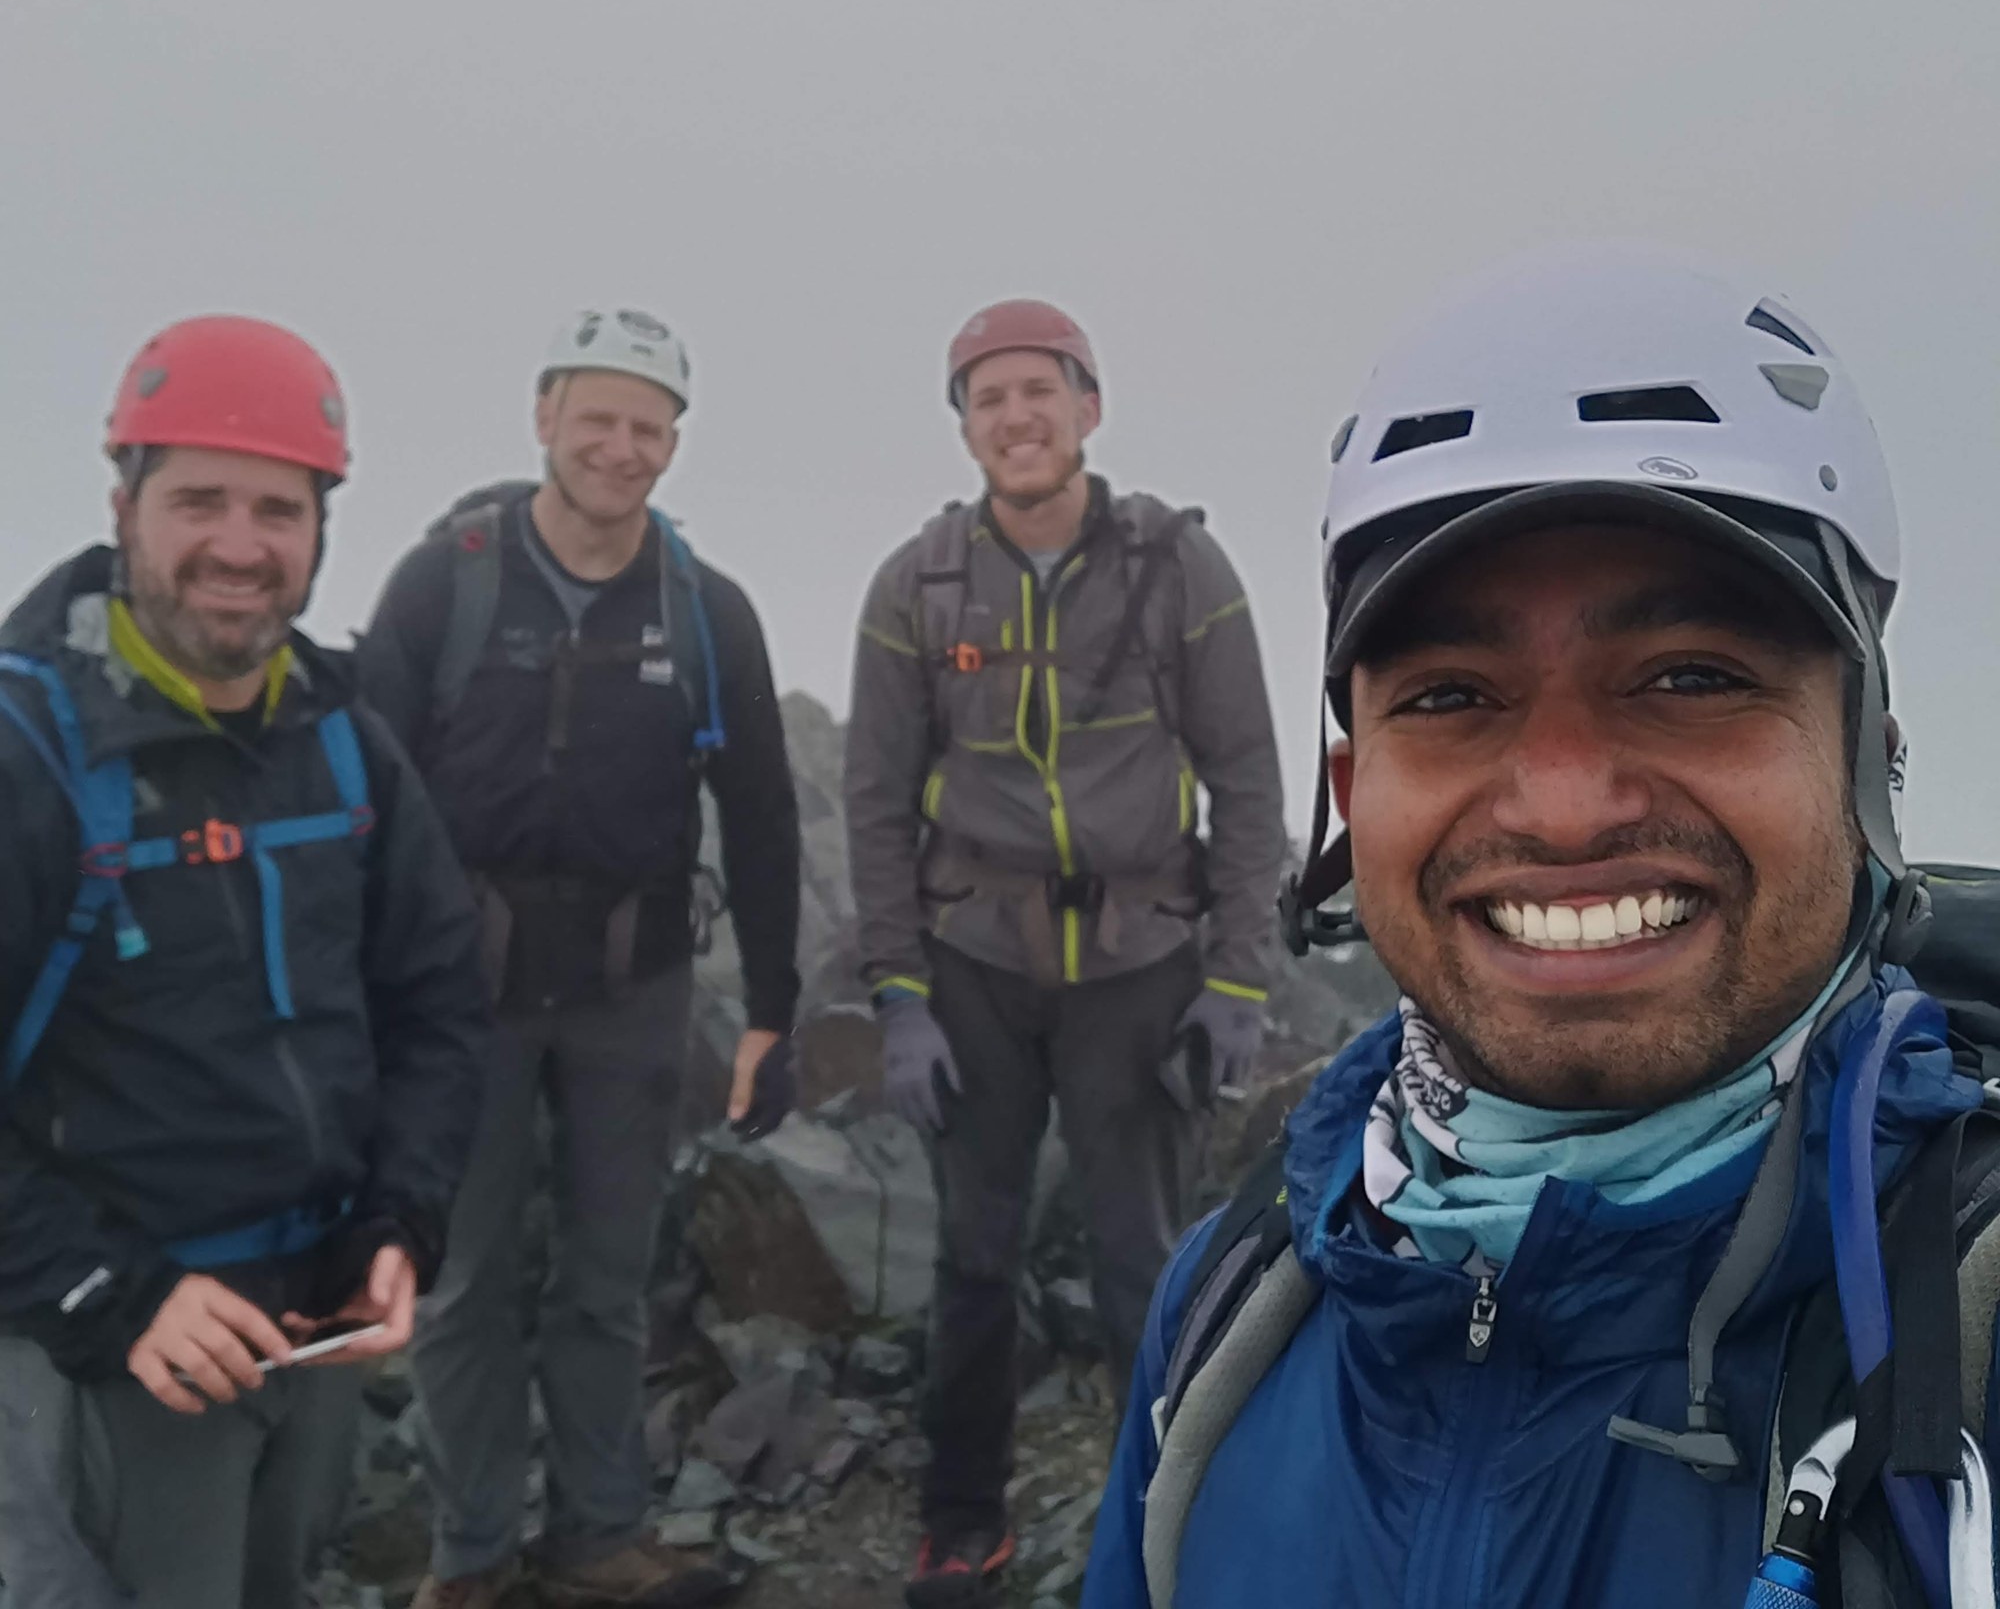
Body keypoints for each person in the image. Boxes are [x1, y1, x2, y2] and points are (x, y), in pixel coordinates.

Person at [1084, 248, 2000, 1609]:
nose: (1566, 805)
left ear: (1867, 751)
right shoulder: (1235, 1309)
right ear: (1353, 795)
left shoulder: (1976, 1315)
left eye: (1692, 677)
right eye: (1453, 696)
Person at [0, 316, 489, 1609]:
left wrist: (399, 1220)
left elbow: (437, 1003)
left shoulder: (344, 742)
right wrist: (115, 1297)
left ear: (322, 530)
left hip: (307, 1330)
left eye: (279, 509)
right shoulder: (28, 762)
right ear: (124, 507)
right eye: (199, 501)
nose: (240, 544)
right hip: (105, 1351)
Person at [846, 299, 1288, 1606]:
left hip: (1139, 963)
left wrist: (1238, 978)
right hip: (973, 963)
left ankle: (1170, 1514)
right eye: (988, 398)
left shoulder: (1180, 569)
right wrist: (899, 996)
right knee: (973, 1258)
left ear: (1088, 408)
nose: (1017, 417)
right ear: (965, 428)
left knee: (1143, 1255)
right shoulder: (917, 585)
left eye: (1040, 391)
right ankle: (961, 1522)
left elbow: (1247, 779)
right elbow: (875, 802)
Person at [361, 307, 802, 1609]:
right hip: (461, 993)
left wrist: (772, 1009)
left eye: (648, 426)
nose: (621, 447)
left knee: (609, 1278)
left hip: (633, 985)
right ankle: (470, 1557)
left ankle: (599, 1535)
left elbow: (763, 813)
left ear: (675, 442)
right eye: (598, 417)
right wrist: (354, 993)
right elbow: (363, 792)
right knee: (466, 1281)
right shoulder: (445, 582)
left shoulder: (706, 610)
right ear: (545, 416)